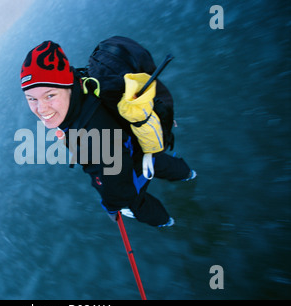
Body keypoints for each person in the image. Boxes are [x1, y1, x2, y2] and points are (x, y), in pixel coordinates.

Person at [20, 40, 196, 227]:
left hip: (130, 164)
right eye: (31, 99)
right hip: (138, 141)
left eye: (50, 95)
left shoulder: (94, 137)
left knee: (136, 202)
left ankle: (165, 222)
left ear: (67, 86)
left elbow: (117, 188)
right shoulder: (83, 81)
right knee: (156, 160)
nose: (41, 108)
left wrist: (112, 207)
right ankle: (187, 173)